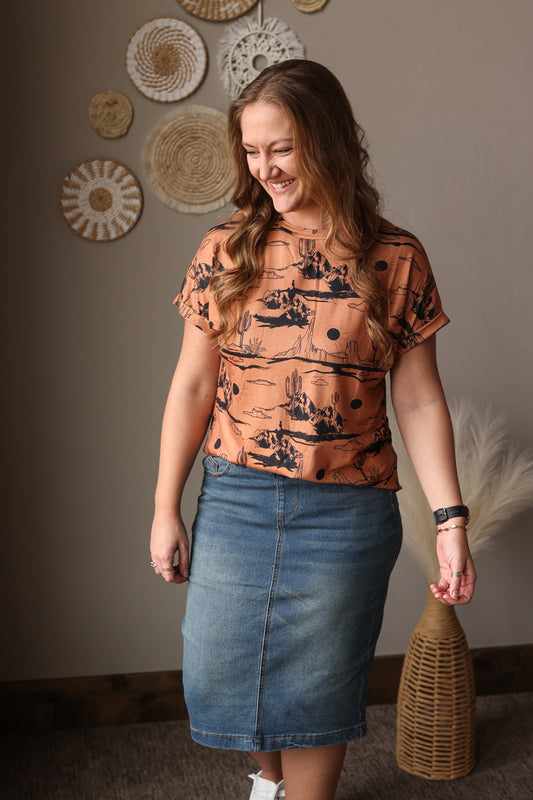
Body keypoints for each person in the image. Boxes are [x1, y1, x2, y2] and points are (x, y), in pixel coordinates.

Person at [149, 59, 476, 800]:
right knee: (220, 671)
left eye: (283, 148)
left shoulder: (396, 258)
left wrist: (449, 518)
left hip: (345, 514)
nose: (265, 168)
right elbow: (192, 387)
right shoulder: (224, 252)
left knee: (317, 693)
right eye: (252, 152)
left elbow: (419, 401)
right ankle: (269, 784)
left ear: (326, 142)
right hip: (235, 500)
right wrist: (165, 506)